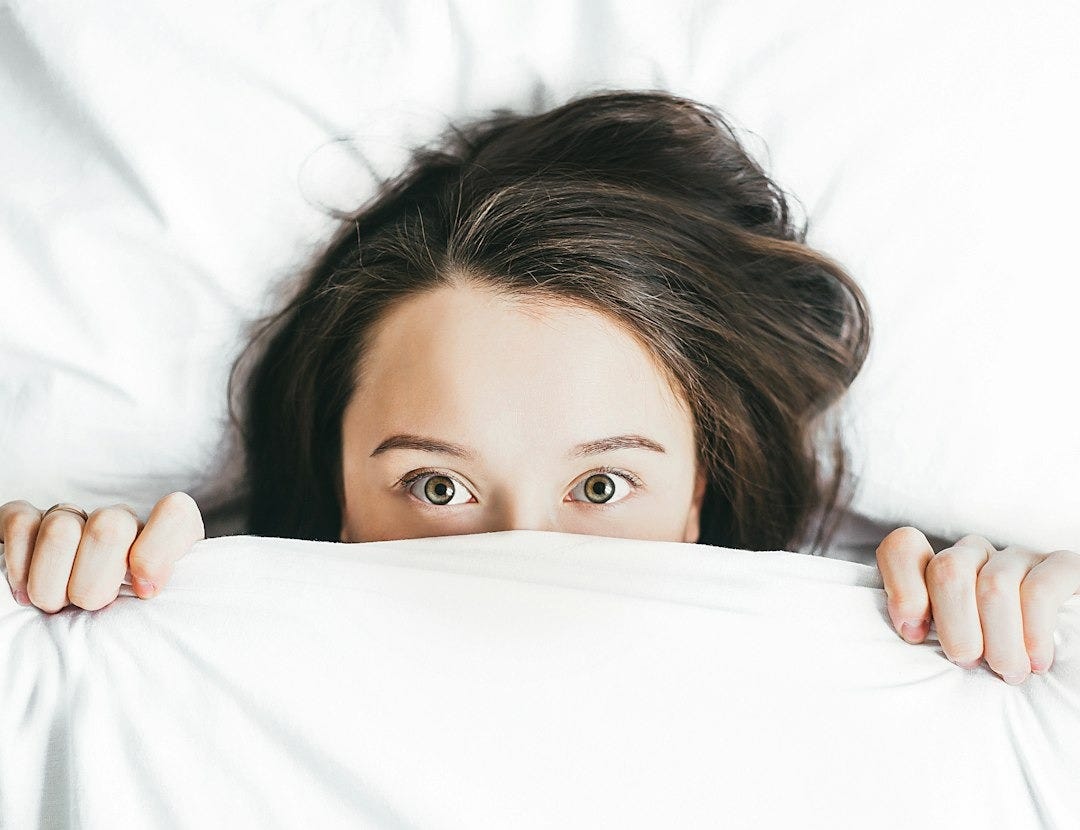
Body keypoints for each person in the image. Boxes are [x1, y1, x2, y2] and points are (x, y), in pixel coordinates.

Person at [1, 90, 1076, 685]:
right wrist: (51, 594)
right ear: (334, 485)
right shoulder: (187, 655)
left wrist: (1034, 620)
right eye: (435, 485)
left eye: (603, 486)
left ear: (704, 488)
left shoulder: (884, 661)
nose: (521, 557)